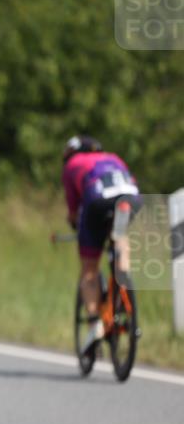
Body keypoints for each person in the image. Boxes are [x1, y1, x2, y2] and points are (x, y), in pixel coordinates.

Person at [61, 135, 141, 352]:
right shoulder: (113, 157)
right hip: (130, 198)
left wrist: (77, 227)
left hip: (97, 201)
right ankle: (123, 281)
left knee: (89, 268)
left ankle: (95, 321)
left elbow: (73, 209)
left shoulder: (72, 165)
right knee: (120, 237)